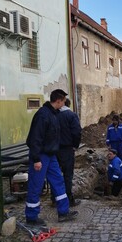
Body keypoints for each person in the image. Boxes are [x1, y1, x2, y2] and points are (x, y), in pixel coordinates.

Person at [25, 89, 78, 225]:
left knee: (58, 181)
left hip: (51, 155)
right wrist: (36, 159)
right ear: (58, 101)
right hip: (41, 155)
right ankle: (31, 216)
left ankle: (63, 212)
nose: (65, 104)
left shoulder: (53, 114)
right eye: (64, 102)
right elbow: (35, 138)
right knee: (36, 185)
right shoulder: (43, 115)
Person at [54, 98, 82, 207]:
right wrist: (75, 145)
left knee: (55, 175)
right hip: (67, 149)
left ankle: (54, 199)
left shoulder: (54, 115)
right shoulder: (71, 115)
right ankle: (68, 200)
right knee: (67, 175)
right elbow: (77, 132)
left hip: (54, 149)